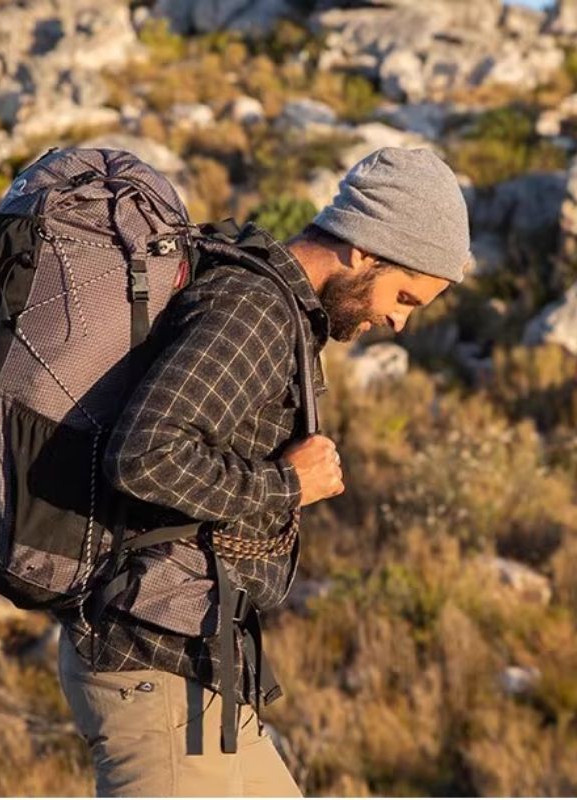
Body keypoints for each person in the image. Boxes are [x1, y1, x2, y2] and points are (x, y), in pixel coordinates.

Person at [55, 146, 472, 797]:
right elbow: (143, 455)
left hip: (200, 663)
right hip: (152, 664)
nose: (398, 320)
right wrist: (290, 485)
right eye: (406, 296)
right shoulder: (256, 312)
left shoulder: (279, 310)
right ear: (366, 248)